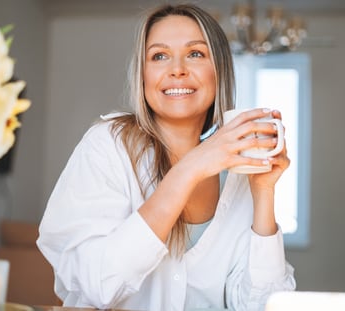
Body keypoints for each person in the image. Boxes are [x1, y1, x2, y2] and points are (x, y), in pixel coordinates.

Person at [37, 3, 296, 311]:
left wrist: (264, 192)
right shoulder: (108, 145)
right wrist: (191, 168)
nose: (177, 69)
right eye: (159, 56)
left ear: (220, 70)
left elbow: (262, 304)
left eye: (196, 54)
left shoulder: (237, 170)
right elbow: (95, 286)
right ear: (143, 74)